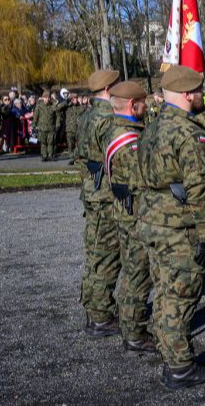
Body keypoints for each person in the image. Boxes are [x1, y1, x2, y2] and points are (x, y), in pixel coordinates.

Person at [135, 65, 205, 389]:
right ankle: (180, 367)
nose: (202, 95)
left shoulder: (151, 128)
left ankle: (168, 352)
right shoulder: (190, 135)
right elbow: (200, 188)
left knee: (163, 291)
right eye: (199, 90)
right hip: (179, 228)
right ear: (188, 94)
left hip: (152, 224)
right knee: (180, 296)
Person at [102, 80, 157, 354]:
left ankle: (128, 323)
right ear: (132, 105)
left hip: (123, 213)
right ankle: (135, 333)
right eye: (143, 102)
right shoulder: (130, 141)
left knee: (131, 271)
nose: (146, 106)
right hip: (135, 216)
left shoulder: (116, 129)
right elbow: (145, 180)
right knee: (138, 274)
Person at [75, 69, 122, 338]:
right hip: (106, 196)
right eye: (116, 85)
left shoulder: (87, 116)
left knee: (95, 251)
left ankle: (95, 310)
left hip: (92, 193)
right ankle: (101, 316)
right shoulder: (107, 119)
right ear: (107, 89)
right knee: (107, 254)